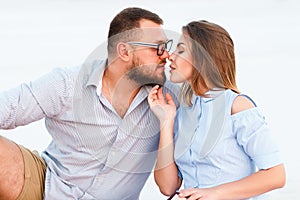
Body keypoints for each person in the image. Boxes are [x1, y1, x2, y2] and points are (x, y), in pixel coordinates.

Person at [0, 7, 179, 200]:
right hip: (49, 188)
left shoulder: (168, 97)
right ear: (125, 51)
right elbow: (7, 108)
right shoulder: (67, 83)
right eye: (157, 48)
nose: (166, 56)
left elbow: (210, 89)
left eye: (166, 47)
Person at [148, 20, 285, 200]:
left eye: (181, 50)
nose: (171, 57)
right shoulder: (183, 112)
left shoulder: (236, 106)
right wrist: (166, 122)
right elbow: (167, 187)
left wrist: (213, 194)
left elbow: (276, 175)